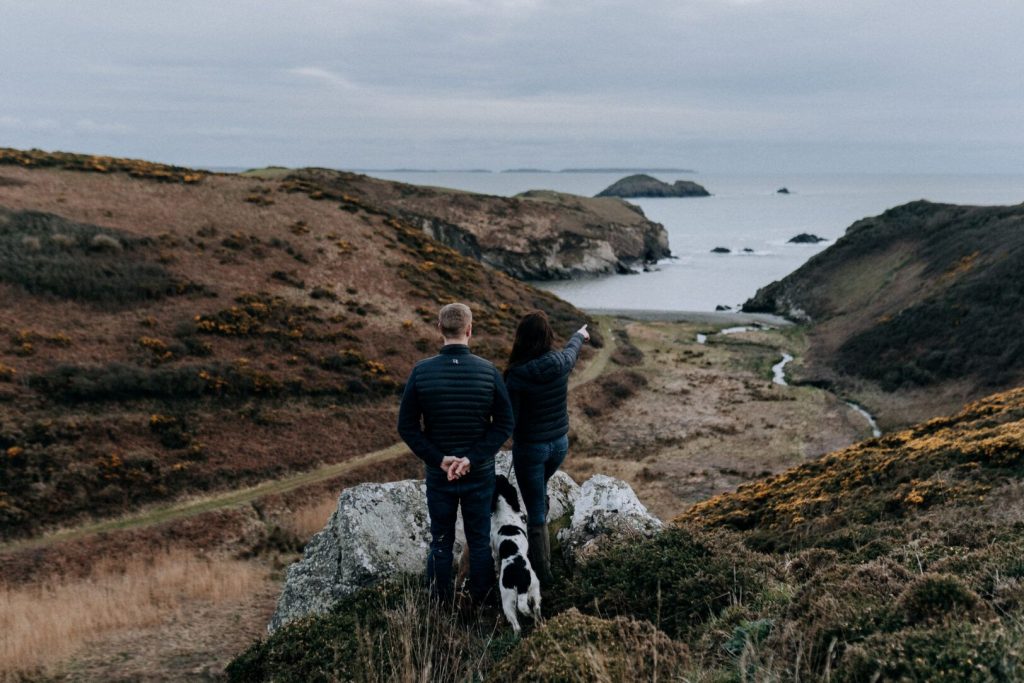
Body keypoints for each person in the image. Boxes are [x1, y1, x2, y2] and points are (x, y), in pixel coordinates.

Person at [397, 302, 514, 605]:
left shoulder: (421, 372)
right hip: (479, 473)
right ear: (469, 330)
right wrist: (472, 458)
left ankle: (438, 605)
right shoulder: (488, 372)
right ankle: (483, 605)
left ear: (439, 329)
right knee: (478, 542)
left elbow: (407, 427)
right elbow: (504, 424)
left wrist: (439, 459)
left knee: (440, 542)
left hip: (440, 475)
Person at [503, 311, 589, 585]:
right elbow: (572, 350)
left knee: (535, 514)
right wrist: (580, 335)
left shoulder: (516, 375)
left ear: (521, 339)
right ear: (547, 336)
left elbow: (510, 420)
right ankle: (545, 538)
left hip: (531, 449)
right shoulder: (560, 362)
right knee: (539, 491)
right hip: (559, 445)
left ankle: (544, 577)